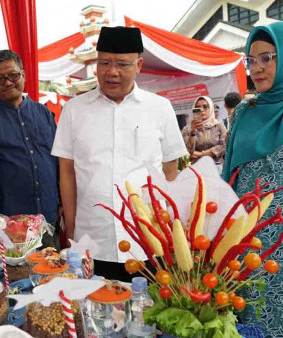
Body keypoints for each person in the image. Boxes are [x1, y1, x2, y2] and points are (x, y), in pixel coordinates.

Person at [51, 26, 187, 281]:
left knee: (146, 313)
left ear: (139, 65)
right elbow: (67, 173)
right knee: (94, 312)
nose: (111, 72)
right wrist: (71, 230)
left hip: (146, 240)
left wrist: (165, 227)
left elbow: (170, 169)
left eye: (122, 64)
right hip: (92, 238)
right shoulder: (74, 110)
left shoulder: (160, 108)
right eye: (104, 63)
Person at [222, 22, 283, 336]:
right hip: (249, 243)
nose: (256, 69)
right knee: (248, 318)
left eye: (268, 58)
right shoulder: (244, 112)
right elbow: (230, 178)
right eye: (251, 60)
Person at [0, 50, 60, 248]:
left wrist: (62, 204)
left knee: (53, 269)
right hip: (12, 224)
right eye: (0, 79)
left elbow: (58, 160)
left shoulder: (43, 113)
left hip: (50, 218)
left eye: (13, 75)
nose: (8, 82)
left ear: (23, 75)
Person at [181, 96, 227, 164]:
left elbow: (224, 146)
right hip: (196, 167)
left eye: (205, 107)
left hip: (217, 166)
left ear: (211, 109)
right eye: (198, 107)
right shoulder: (187, 129)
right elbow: (186, 151)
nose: (202, 110)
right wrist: (193, 132)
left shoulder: (219, 126)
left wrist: (201, 154)